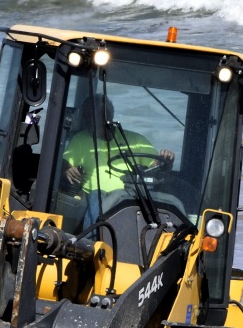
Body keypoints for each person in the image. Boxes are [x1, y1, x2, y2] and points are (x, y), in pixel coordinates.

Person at [55, 91, 172, 231]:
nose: (89, 119)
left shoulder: (135, 140)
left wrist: (166, 160)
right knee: (95, 197)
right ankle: (89, 242)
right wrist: (67, 170)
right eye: (87, 116)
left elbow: (156, 167)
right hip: (95, 196)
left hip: (129, 195)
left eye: (95, 115)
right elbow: (65, 163)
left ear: (109, 115)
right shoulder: (80, 139)